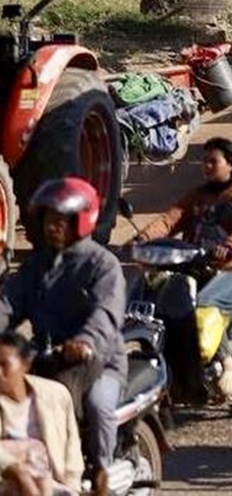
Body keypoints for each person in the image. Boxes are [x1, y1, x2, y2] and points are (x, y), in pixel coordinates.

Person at [0, 179, 123, 495]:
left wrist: (85, 342)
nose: (51, 227)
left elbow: (106, 314)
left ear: (80, 220)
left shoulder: (103, 264)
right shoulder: (36, 266)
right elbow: (7, 305)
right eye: (47, 220)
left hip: (100, 361)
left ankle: (102, 473)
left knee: (97, 406)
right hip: (47, 359)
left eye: (60, 220)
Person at [136, 137, 232, 396]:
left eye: (214, 161)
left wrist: (231, 244)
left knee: (203, 305)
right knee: (157, 296)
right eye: (205, 161)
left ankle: (227, 365)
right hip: (195, 267)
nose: (207, 166)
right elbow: (170, 219)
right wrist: (143, 238)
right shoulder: (198, 196)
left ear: (230, 164)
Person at [0, 332, 83, 496]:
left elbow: (72, 448)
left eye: (4, 365)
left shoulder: (56, 395)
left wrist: (73, 487)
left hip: (54, 486)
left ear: (25, 364)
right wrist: (18, 472)